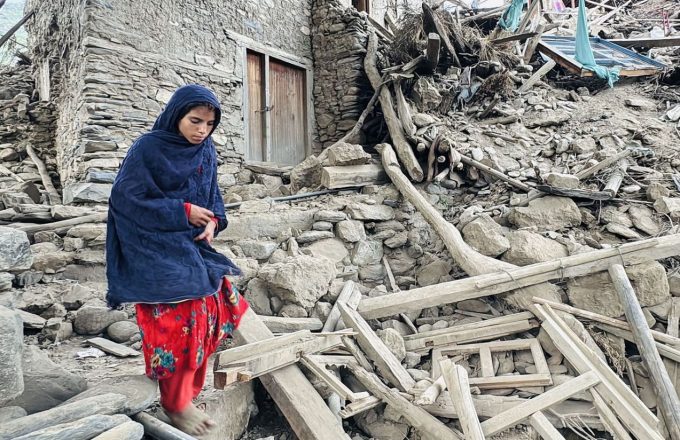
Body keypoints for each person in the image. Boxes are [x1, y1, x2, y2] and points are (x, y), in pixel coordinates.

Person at [105, 84, 249, 436]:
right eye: (195, 121)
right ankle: (175, 403)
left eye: (210, 124)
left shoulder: (206, 151)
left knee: (218, 302)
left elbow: (213, 199)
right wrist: (181, 211)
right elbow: (125, 200)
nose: (202, 130)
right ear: (176, 116)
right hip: (149, 242)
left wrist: (213, 222)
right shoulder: (149, 148)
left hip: (188, 244)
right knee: (181, 314)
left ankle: (186, 392)